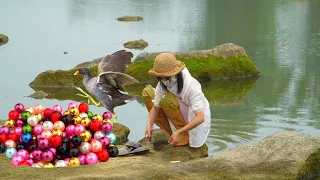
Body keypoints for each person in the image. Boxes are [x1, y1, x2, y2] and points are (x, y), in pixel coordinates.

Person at [142, 52, 211, 148]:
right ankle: (168, 133)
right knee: (148, 92)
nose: (164, 80)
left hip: (191, 117)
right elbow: (156, 106)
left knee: (165, 100)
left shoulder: (191, 86)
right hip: (178, 109)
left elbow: (200, 117)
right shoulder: (163, 83)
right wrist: (149, 125)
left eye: (167, 77)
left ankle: (184, 134)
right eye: (160, 77)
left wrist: (180, 132)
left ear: (176, 74)